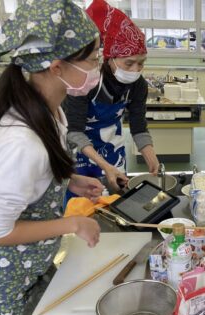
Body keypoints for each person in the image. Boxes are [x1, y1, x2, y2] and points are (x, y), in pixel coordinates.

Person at [0, 0, 103, 315]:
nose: (98, 66)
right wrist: (70, 223)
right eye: (93, 59)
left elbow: (35, 179)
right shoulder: (20, 142)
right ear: (57, 66)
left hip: (32, 261)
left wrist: (70, 182)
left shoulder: (50, 109)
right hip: (6, 272)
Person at [64, 0, 159, 194]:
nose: (136, 70)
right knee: (84, 203)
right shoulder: (88, 81)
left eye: (141, 63)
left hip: (112, 147)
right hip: (80, 151)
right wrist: (104, 166)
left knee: (115, 198)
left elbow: (138, 125)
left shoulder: (138, 85)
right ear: (110, 58)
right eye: (129, 63)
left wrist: (150, 155)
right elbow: (73, 131)